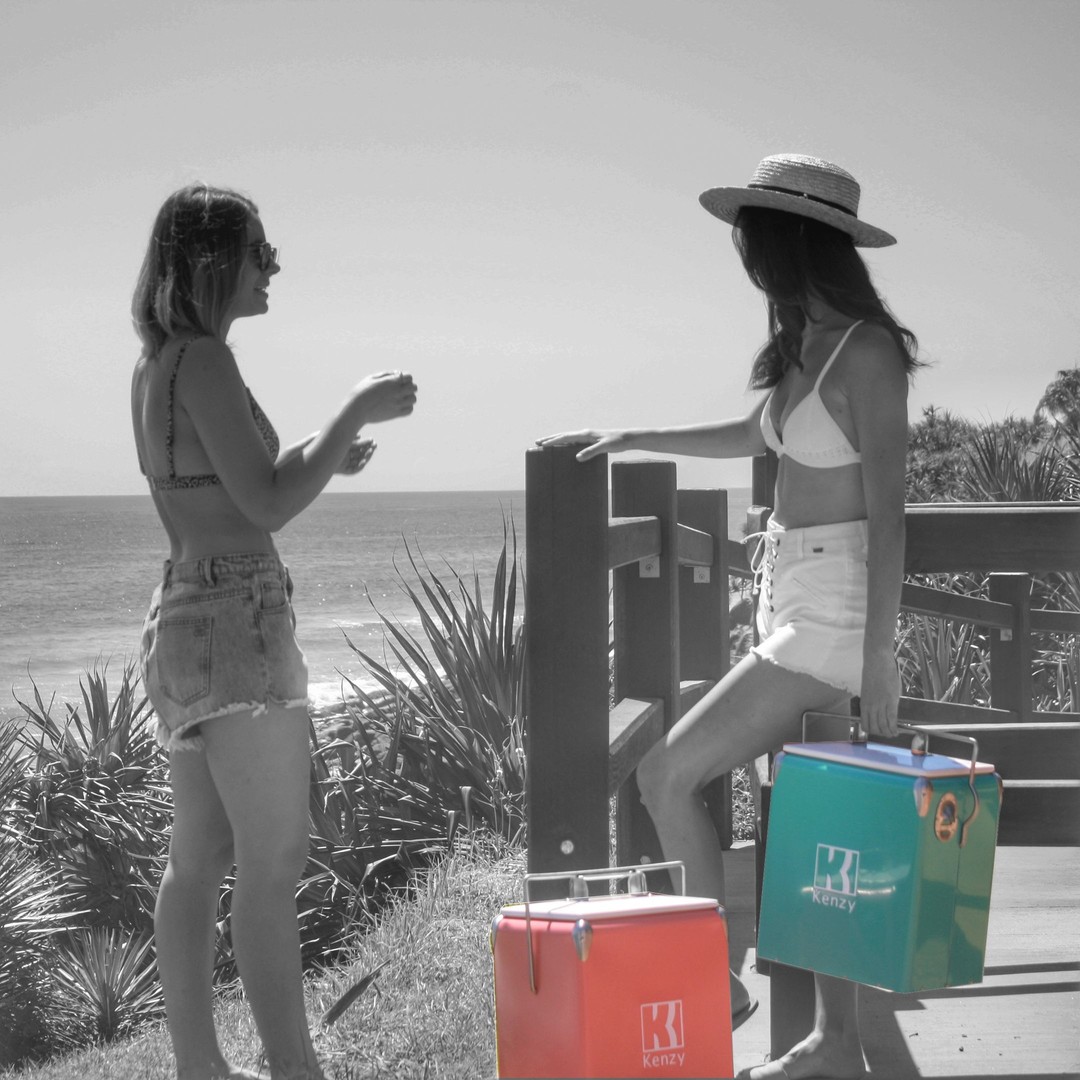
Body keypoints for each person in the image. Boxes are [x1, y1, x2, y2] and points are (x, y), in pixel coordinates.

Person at [538, 153, 917, 1080]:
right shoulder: (803, 345)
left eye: (754, 242)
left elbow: (892, 513)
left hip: (833, 617)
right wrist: (633, 433)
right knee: (819, 824)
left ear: (793, 243)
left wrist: (879, 656)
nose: (746, 260)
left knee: (665, 773)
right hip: (793, 601)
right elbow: (753, 435)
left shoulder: (866, 351)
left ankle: (718, 984)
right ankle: (835, 1043)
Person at [131, 184, 418, 1080]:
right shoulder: (208, 360)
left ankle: (201, 1068)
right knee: (272, 858)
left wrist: (330, 451)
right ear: (212, 258)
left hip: (183, 612)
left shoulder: (161, 363)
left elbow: (236, 485)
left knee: (198, 858)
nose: (273, 269)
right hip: (236, 615)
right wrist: (354, 410)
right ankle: (296, 1070)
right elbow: (264, 504)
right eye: (261, 253)